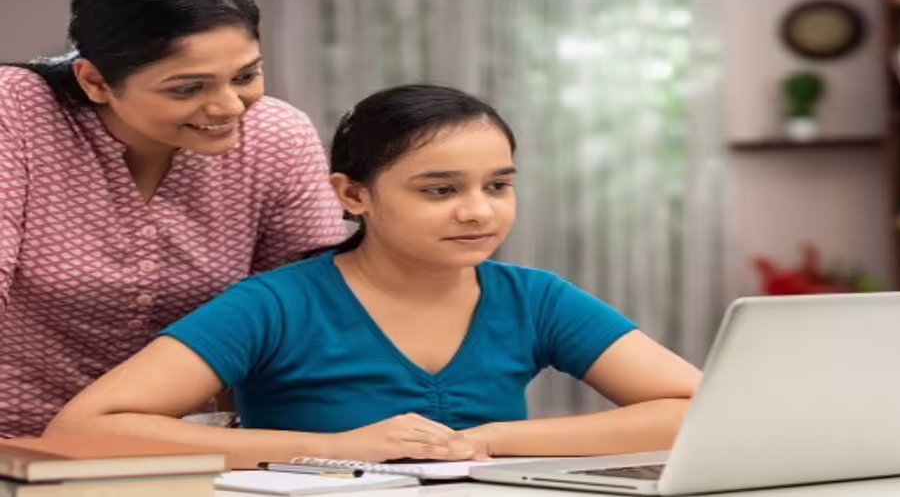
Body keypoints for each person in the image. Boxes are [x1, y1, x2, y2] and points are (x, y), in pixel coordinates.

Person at [45, 84, 701, 468]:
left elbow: (698, 410)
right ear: (353, 195)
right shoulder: (275, 305)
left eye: (498, 185)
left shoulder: (537, 299)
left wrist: (494, 440)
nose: (479, 211)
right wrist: (335, 447)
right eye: (440, 190)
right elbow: (83, 428)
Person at [0, 0, 347, 438]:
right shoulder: (17, 110)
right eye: (188, 88)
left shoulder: (276, 136)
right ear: (95, 81)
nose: (229, 107)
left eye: (245, 76)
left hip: (186, 442)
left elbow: (306, 308)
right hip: (14, 441)